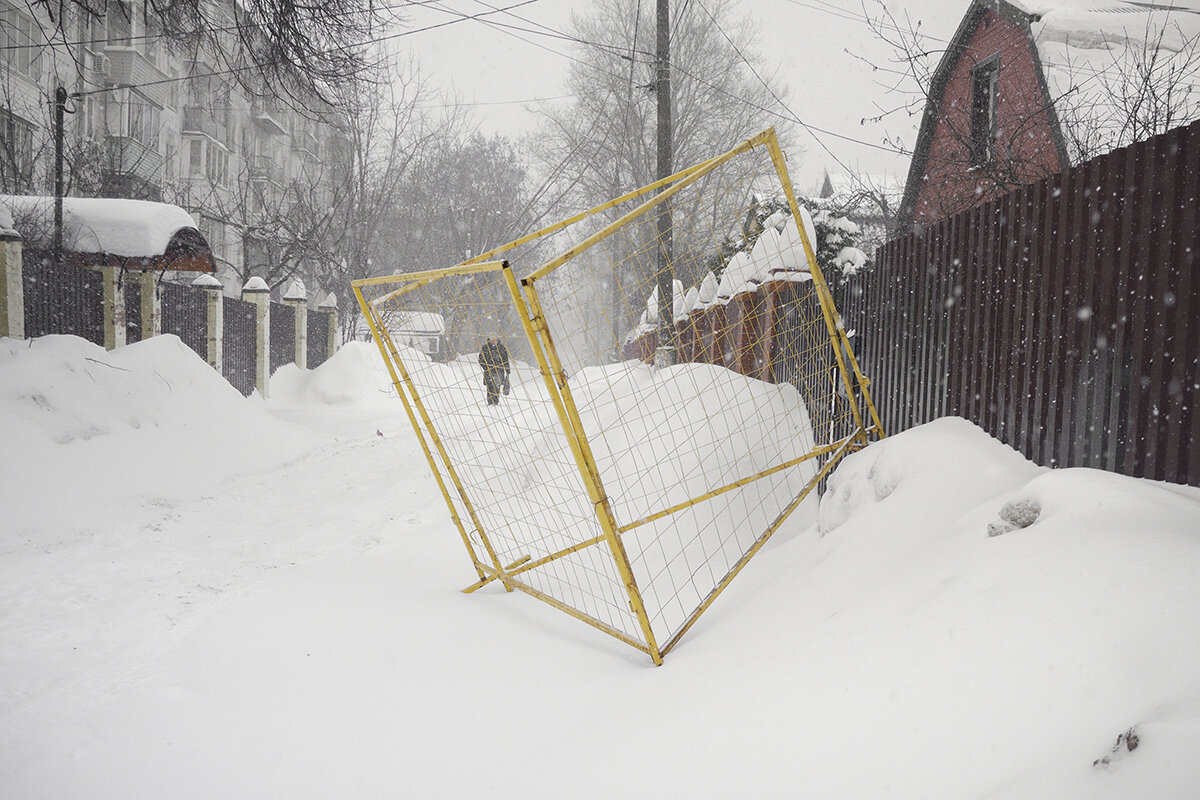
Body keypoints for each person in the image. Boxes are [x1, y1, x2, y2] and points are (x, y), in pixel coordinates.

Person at [477, 337, 510, 406]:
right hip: (488, 371)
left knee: (497, 385)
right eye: (492, 340)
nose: (493, 342)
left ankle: (495, 401)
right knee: (489, 386)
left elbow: (505, 359)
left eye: (494, 340)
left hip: (499, 370)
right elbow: (481, 359)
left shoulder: (501, 348)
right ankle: (490, 401)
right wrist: (486, 367)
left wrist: (507, 370)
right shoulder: (485, 348)